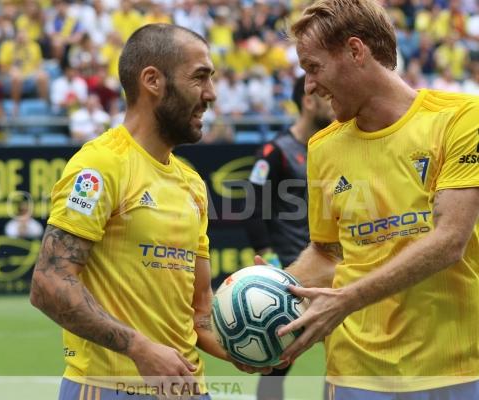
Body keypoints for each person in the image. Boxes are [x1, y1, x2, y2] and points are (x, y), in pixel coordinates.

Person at [30, 24, 267, 400]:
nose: (211, 94)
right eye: (199, 77)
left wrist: (251, 345)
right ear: (153, 80)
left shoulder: (191, 183)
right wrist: (139, 348)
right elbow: (49, 283)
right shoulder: (101, 164)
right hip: (109, 388)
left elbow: (200, 312)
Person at [269, 1, 479, 399]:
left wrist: (346, 300)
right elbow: (327, 253)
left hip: (456, 369)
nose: (308, 87)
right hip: (356, 375)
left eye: (313, 67)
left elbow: (450, 239)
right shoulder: (323, 147)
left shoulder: (460, 118)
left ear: (355, 51)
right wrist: (278, 292)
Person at [244, 75, 333, 400]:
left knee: (344, 357)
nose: (332, 102)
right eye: (325, 96)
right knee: (277, 363)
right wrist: (271, 265)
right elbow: (252, 208)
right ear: (308, 100)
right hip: (290, 277)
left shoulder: (335, 148)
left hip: (331, 273)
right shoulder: (276, 151)